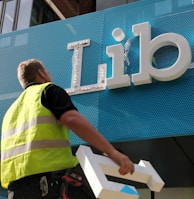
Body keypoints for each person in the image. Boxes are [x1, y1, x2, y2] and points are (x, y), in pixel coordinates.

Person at [1, 59, 134, 199]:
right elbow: (72, 119)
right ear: (41, 74)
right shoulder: (48, 90)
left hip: (15, 191)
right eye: (47, 71)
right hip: (49, 185)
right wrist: (112, 152)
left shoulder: (10, 112)